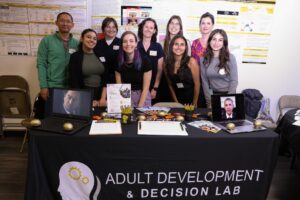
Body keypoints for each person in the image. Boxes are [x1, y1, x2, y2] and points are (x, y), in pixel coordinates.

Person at [37, 12, 79, 101]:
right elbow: (41, 64)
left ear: (72, 25)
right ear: (56, 23)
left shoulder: (77, 43)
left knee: (68, 113)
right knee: (51, 114)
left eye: (68, 21)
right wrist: (43, 86)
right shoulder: (47, 41)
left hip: (71, 88)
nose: (65, 24)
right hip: (52, 86)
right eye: (62, 21)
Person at [68, 28, 107, 107]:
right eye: (88, 37)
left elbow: (106, 78)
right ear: (82, 39)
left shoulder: (101, 55)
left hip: (100, 95)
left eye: (94, 38)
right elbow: (74, 81)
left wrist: (103, 98)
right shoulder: (75, 57)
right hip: (83, 95)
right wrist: (86, 100)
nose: (92, 40)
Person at [200, 29, 238, 108]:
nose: (216, 43)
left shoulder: (230, 58)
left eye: (220, 40)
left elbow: (234, 81)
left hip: (228, 94)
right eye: (214, 39)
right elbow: (205, 83)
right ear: (210, 41)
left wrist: (228, 100)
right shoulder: (203, 59)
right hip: (212, 95)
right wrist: (209, 102)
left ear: (224, 43)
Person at [115, 31, 152, 108]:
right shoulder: (118, 62)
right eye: (125, 41)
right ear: (122, 45)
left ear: (136, 44)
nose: (128, 44)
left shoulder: (145, 61)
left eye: (131, 41)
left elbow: (146, 88)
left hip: (142, 97)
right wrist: (124, 104)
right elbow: (119, 86)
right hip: (126, 96)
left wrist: (139, 106)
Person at [164, 35, 200, 105]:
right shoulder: (166, 63)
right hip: (177, 100)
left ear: (185, 47)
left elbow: (197, 84)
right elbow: (170, 84)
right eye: (176, 44)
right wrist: (176, 102)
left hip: (192, 100)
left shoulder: (191, 62)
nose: (178, 47)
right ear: (171, 46)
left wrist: (194, 103)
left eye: (182, 45)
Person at [137, 18, 164, 104]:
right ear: (142, 28)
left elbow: (160, 70)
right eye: (146, 27)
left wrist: (155, 88)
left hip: (153, 88)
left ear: (154, 31)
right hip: (137, 89)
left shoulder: (158, 47)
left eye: (151, 28)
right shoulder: (135, 46)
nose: (148, 30)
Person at [191, 12, 215, 108]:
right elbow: (191, 63)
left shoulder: (216, 42)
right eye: (203, 23)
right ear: (199, 25)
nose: (205, 26)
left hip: (212, 83)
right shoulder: (195, 43)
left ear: (212, 25)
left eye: (208, 23)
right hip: (197, 83)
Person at [94, 17, 121, 84]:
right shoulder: (97, 44)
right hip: (100, 80)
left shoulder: (122, 43)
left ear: (116, 29)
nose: (111, 29)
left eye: (114, 27)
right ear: (103, 29)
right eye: (108, 27)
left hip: (118, 80)